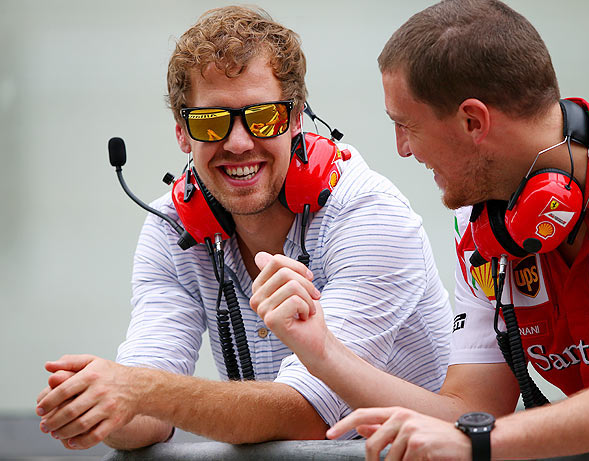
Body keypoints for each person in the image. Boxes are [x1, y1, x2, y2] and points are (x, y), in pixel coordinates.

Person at [251, 0, 589, 459]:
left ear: (473, 121)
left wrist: (482, 443)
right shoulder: (482, 226)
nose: (403, 149)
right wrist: (324, 353)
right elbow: (468, 411)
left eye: (405, 125)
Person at [34, 6, 453, 451]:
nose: (238, 142)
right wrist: (94, 407)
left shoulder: (370, 214)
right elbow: (142, 410)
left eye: (264, 118)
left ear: (294, 120)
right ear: (182, 132)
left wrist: (139, 390)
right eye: (211, 122)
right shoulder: (170, 230)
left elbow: (308, 414)